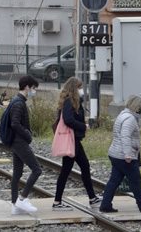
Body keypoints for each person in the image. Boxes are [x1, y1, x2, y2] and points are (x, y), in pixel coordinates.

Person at [100, 95, 141, 213]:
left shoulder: (122, 115)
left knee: (114, 181)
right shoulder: (130, 119)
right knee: (135, 180)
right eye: (140, 106)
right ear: (136, 106)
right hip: (124, 156)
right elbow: (125, 136)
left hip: (115, 154)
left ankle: (105, 204)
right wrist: (128, 154)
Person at [52, 77, 101, 211]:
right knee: (66, 171)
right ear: (74, 88)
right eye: (79, 87)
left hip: (74, 140)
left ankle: (92, 198)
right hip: (71, 140)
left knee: (84, 166)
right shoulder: (69, 102)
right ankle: (57, 202)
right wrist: (83, 126)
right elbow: (68, 120)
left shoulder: (72, 101)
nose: (81, 90)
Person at [7, 75, 42, 215]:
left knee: (17, 173)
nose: (34, 91)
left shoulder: (17, 100)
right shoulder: (18, 103)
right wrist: (27, 134)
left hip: (16, 142)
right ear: (27, 87)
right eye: (33, 88)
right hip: (19, 141)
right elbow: (15, 123)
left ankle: (15, 205)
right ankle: (22, 198)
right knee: (36, 170)